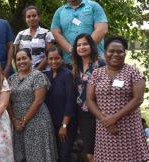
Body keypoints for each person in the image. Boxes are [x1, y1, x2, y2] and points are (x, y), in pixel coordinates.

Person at [86, 36, 149, 161]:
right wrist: (106, 121)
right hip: (105, 130)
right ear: (105, 53)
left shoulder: (133, 72)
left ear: (125, 53)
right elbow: (90, 100)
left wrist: (114, 118)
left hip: (128, 129)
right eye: (111, 51)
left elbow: (138, 99)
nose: (115, 54)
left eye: (120, 51)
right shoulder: (96, 73)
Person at [8, 49, 57, 162]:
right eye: (18, 59)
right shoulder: (12, 78)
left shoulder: (38, 76)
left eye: (24, 58)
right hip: (17, 123)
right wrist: (14, 120)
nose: (21, 61)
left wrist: (24, 121)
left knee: (38, 155)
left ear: (30, 60)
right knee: (21, 156)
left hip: (37, 120)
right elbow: (7, 102)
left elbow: (39, 101)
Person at [71, 33, 105, 162]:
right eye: (78, 45)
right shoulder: (75, 66)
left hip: (100, 113)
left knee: (102, 150)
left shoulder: (101, 64)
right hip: (83, 115)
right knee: (90, 153)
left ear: (91, 45)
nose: (81, 47)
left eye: (85, 44)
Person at [51, 0, 108, 69]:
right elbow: (55, 33)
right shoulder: (59, 12)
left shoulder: (93, 6)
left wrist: (84, 48)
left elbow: (102, 29)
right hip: (70, 61)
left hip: (94, 60)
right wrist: (73, 51)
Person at [44, 47, 77, 162]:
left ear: (62, 59)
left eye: (57, 58)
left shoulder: (67, 75)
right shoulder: (45, 75)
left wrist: (64, 126)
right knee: (54, 156)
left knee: (64, 156)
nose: (54, 61)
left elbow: (70, 101)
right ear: (47, 60)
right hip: (50, 124)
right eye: (50, 59)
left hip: (65, 124)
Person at [14, 5, 55, 71]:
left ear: (39, 17)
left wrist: (36, 72)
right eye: (28, 16)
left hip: (43, 72)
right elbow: (16, 55)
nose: (31, 18)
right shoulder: (20, 34)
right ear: (25, 19)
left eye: (34, 16)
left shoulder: (47, 33)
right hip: (25, 73)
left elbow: (49, 55)